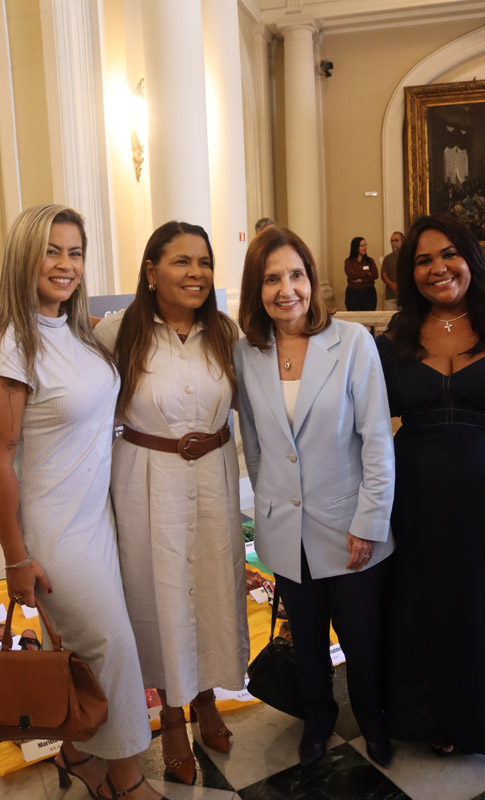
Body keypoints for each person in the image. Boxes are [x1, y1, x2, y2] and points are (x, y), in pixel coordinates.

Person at [0, 204, 166, 800]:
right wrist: (16, 559)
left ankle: (78, 748)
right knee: (110, 645)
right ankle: (125, 777)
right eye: (51, 251)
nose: (65, 265)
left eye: (75, 252)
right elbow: (0, 458)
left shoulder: (74, 331)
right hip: (52, 529)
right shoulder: (14, 345)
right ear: (24, 257)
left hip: (97, 518)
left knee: (93, 647)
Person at [94, 221, 249, 786]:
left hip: (213, 476)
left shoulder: (225, 334)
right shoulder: (117, 334)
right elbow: (89, 413)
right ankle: (173, 716)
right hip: (145, 480)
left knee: (208, 588)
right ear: (151, 270)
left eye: (204, 262)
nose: (197, 273)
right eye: (182, 261)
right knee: (157, 595)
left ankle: (207, 696)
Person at [235, 226, 395, 769]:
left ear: (312, 280)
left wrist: (370, 522)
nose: (287, 289)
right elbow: (253, 444)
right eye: (272, 278)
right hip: (287, 529)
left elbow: (377, 440)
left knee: (362, 639)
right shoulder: (247, 353)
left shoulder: (351, 343)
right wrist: (273, 504)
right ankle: (317, 717)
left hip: (349, 525)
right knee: (304, 639)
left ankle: (374, 721)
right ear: (256, 289)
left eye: (296, 275)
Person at [377, 212, 485, 756]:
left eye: (448, 254)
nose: (437, 268)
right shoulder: (397, 334)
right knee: (425, 605)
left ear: (471, 257)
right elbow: (361, 421)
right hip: (415, 499)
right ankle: (431, 720)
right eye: (422, 260)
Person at [344, 237, 378, 311]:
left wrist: (362, 281)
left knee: (369, 317)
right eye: (362, 245)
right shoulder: (349, 261)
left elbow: (375, 275)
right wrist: (367, 273)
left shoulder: (370, 260)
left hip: (369, 292)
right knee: (355, 317)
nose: (364, 247)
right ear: (355, 247)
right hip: (353, 293)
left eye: (365, 245)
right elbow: (351, 275)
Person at [381, 231, 404, 310]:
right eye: (392, 241)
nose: (393, 243)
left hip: (406, 295)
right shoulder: (388, 258)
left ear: (403, 241)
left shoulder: (409, 256)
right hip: (391, 296)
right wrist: (392, 285)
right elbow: (384, 274)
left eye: (396, 240)